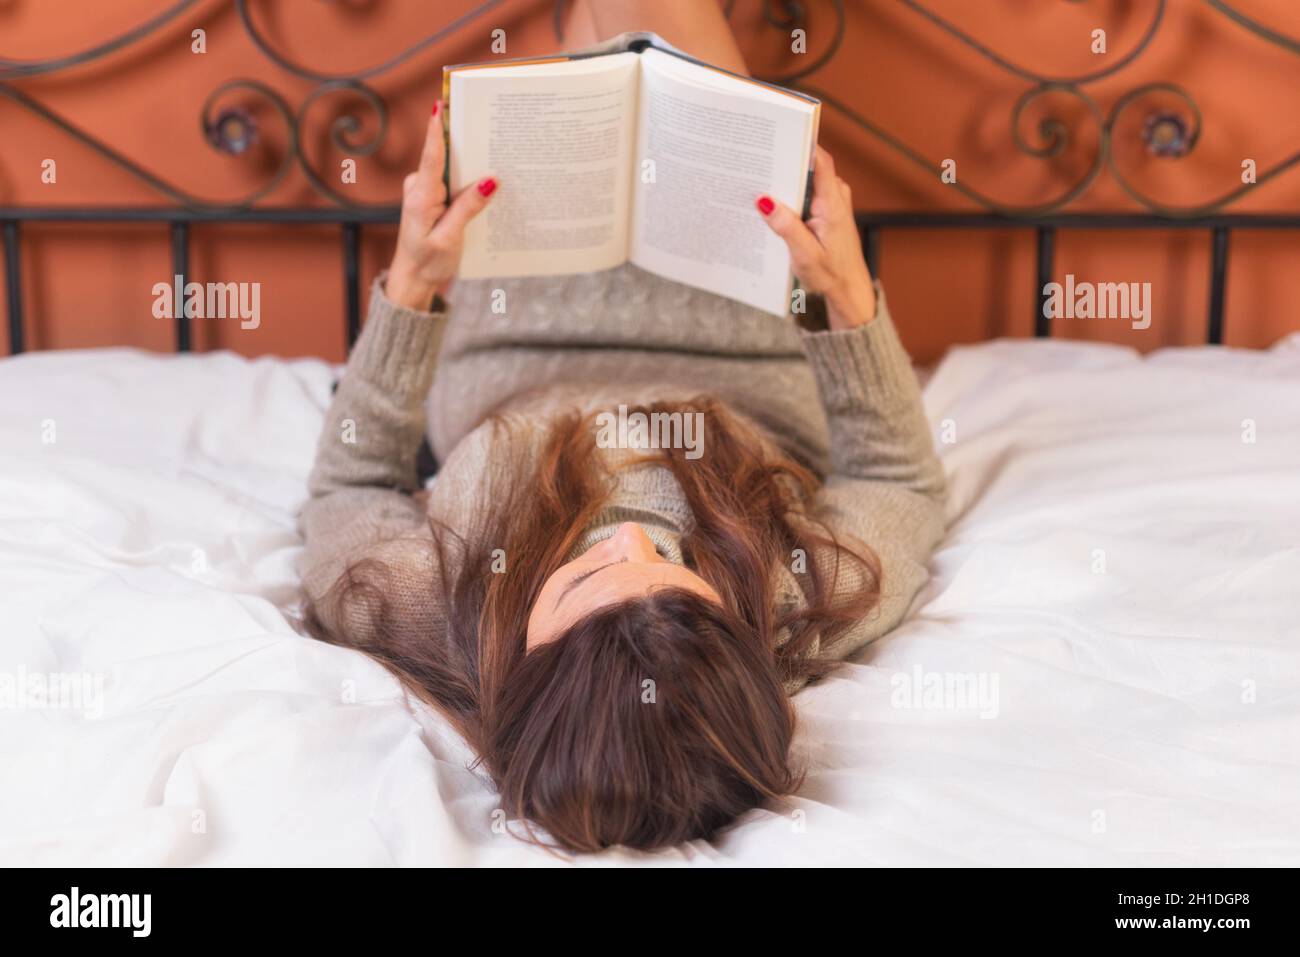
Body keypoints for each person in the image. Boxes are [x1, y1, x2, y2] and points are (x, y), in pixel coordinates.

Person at [300, 0, 945, 852]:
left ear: (520, 676)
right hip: (735, 306)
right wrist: (846, 292)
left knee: (619, 27)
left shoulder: (423, 606)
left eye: (583, 579)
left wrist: (415, 284)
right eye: (678, 573)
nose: (633, 541)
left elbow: (351, 482)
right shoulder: (801, 601)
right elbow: (897, 478)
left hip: (519, 306)